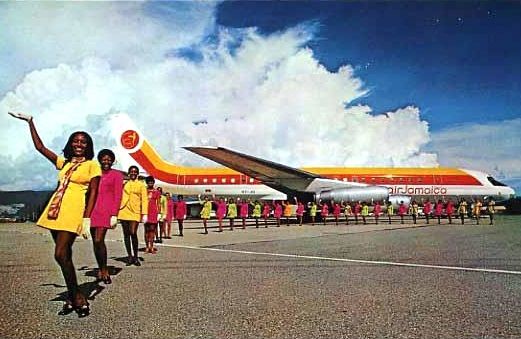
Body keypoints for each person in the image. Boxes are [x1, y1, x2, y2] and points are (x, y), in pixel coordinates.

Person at [10, 111, 101, 317]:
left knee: (60, 253)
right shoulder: (65, 163)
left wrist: (87, 217)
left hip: (73, 210)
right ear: (71, 143)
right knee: (65, 256)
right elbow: (40, 148)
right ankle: (73, 294)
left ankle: (78, 296)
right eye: (76, 141)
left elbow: (94, 191)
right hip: (55, 210)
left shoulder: (91, 165)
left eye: (84, 142)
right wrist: (30, 122)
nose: (79, 144)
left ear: (89, 146)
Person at [90, 149, 123, 285]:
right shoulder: (94, 173)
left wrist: (114, 214)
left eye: (109, 159)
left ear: (112, 161)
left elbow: (118, 195)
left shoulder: (117, 175)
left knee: (99, 240)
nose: (106, 161)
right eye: (104, 158)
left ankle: (105, 270)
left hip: (106, 211)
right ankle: (100, 268)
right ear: (99, 159)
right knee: (95, 242)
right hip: (92, 210)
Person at [118, 165, 148, 267]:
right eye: (131, 172)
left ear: (138, 173)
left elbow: (144, 200)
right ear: (129, 173)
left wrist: (144, 214)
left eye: (135, 172)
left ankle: (136, 256)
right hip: (124, 210)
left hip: (135, 212)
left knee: (133, 232)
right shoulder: (124, 183)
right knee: (126, 234)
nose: (133, 173)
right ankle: (129, 256)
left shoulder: (141, 185)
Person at [144, 176, 161, 254]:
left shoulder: (156, 192)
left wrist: (159, 213)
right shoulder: (144, 191)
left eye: (152, 182)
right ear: (147, 183)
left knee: (152, 230)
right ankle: (147, 246)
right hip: (146, 212)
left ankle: (151, 246)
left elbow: (159, 203)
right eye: (149, 182)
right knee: (146, 230)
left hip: (153, 212)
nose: (150, 183)